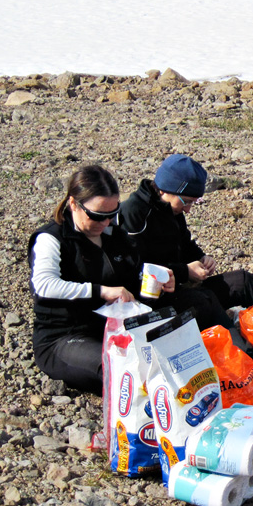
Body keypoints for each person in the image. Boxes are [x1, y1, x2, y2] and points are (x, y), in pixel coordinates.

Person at [28, 165, 175, 392]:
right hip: (63, 337)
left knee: (170, 356)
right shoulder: (52, 238)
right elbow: (44, 286)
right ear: (73, 204)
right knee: (121, 370)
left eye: (111, 214)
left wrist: (156, 283)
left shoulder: (114, 235)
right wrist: (101, 291)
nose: (105, 223)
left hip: (113, 327)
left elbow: (133, 276)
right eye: (97, 216)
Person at [117, 154, 253, 331]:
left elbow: (185, 243)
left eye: (193, 202)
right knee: (203, 299)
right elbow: (136, 271)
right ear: (164, 189)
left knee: (242, 281)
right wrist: (184, 272)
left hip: (179, 289)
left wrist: (201, 258)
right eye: (185, 201)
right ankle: (246, 353)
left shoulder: (172, 210)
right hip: (151, 304)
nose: (188, 209)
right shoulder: (134, 214)